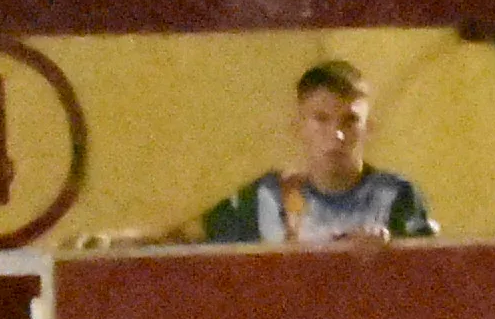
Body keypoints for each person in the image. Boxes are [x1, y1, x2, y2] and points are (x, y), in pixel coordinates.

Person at [170, 59, 440, 245]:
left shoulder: (396, 196)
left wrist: (389, 254)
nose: (337, 135)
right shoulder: (268, 197)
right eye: (321, 119)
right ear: (298, 127)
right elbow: (185, 242)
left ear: (368, 128)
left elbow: (433, 281)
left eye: (350, 120)